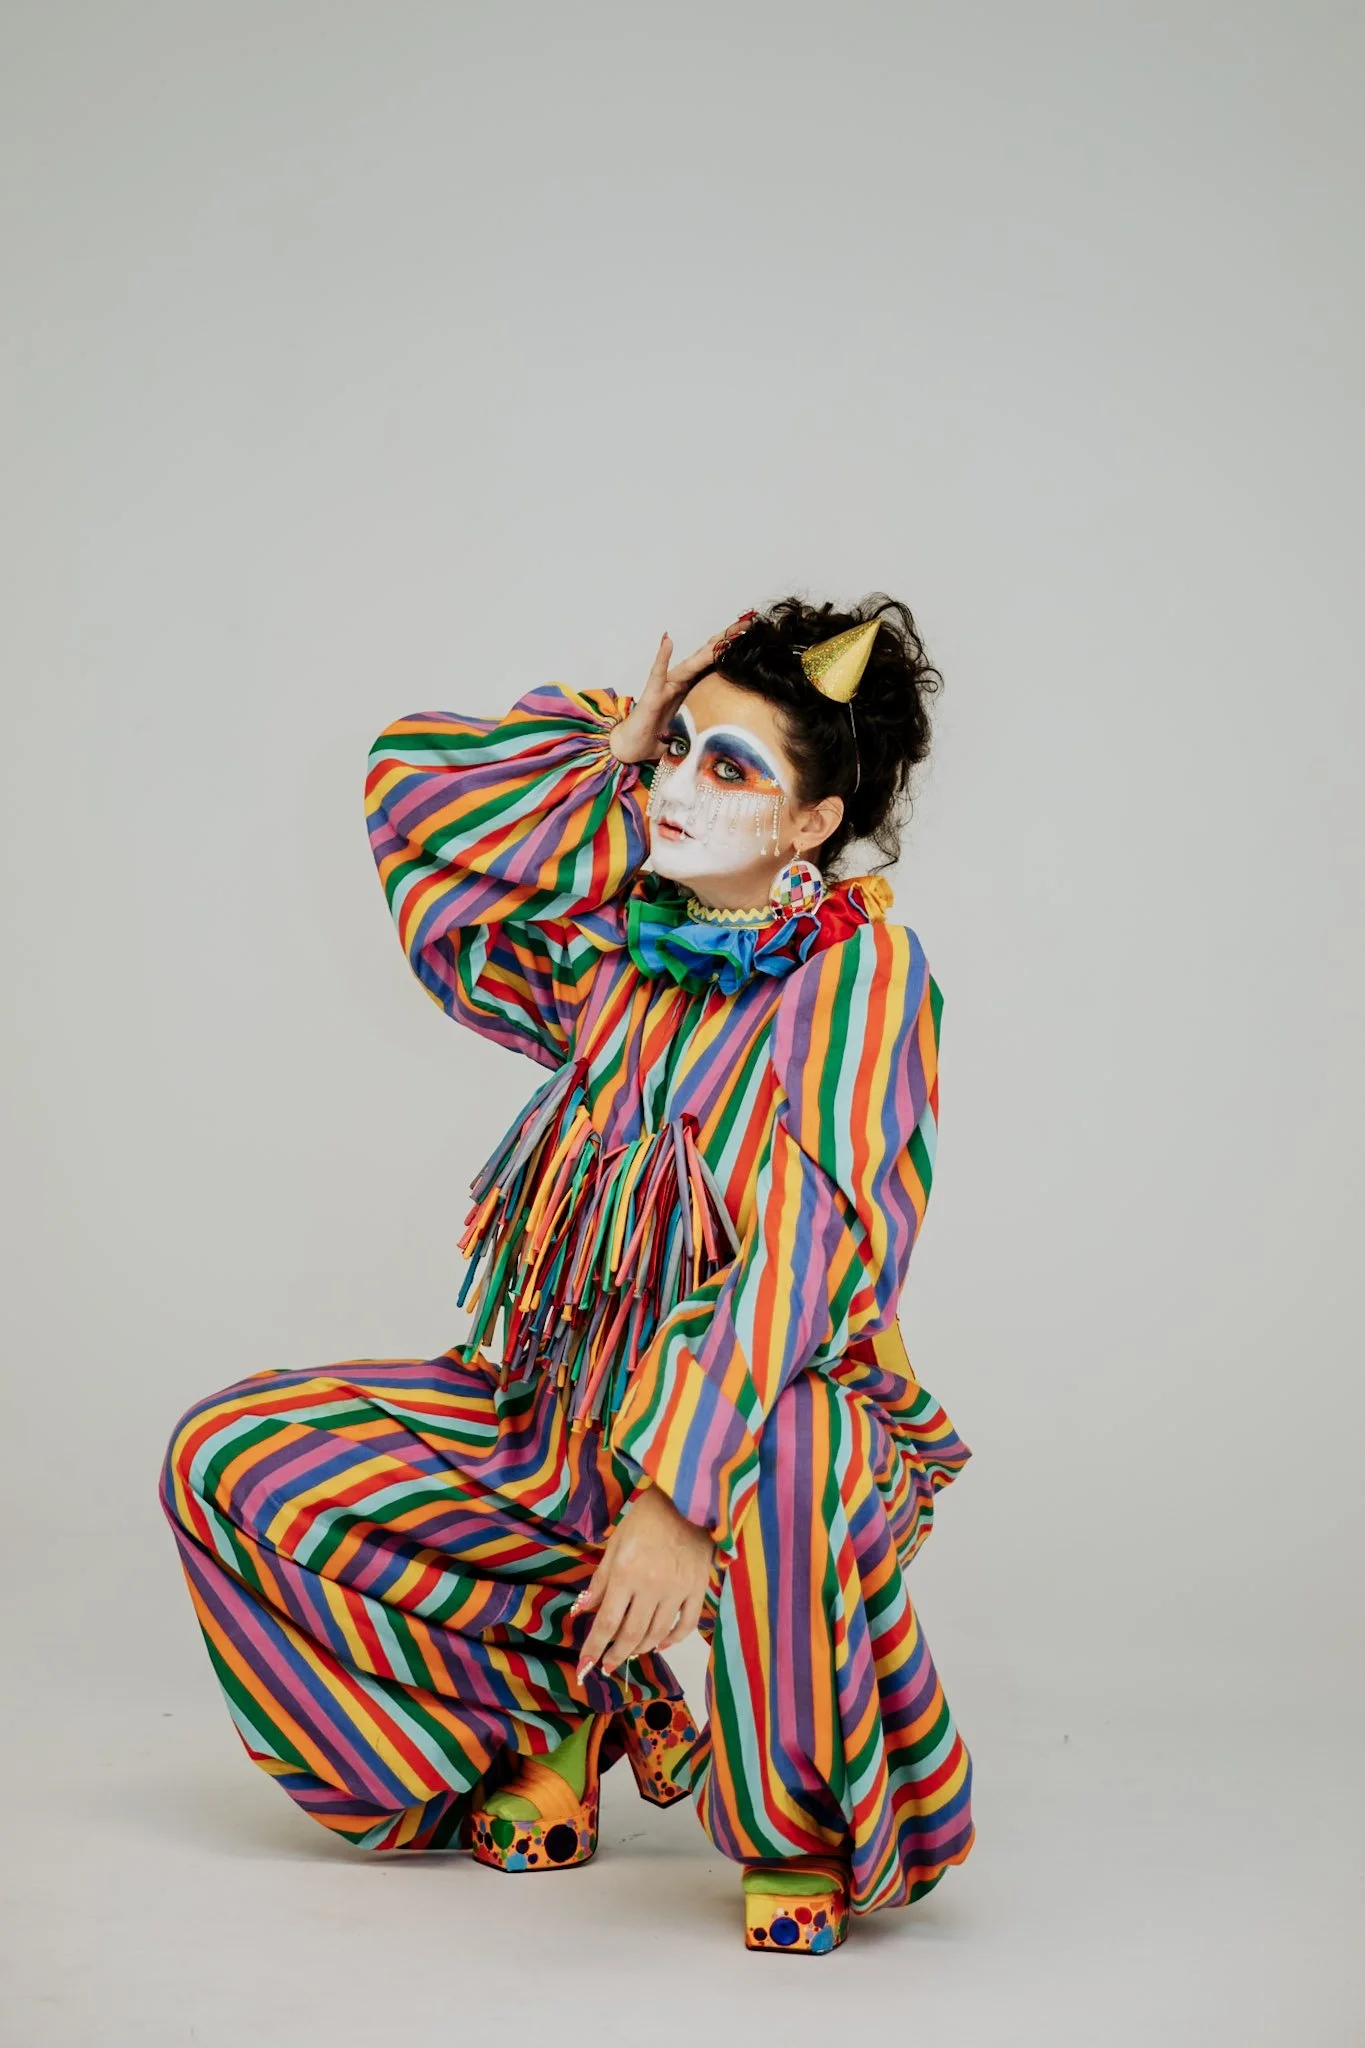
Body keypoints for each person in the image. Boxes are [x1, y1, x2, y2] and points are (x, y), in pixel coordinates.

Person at [160, 594, 976, 1955]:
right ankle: (568, 1709)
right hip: (564, 1424)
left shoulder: (862, 974)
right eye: (681, 752)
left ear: (811, 823)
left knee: (799, 1461)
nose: (682, 788)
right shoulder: (616, 949)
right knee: (231, 1461)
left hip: (769, 1431)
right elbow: (415, 804)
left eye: (732, 768)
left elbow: (810, 1253)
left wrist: (677, 1495)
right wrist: (615, 755)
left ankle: (797, 1828)